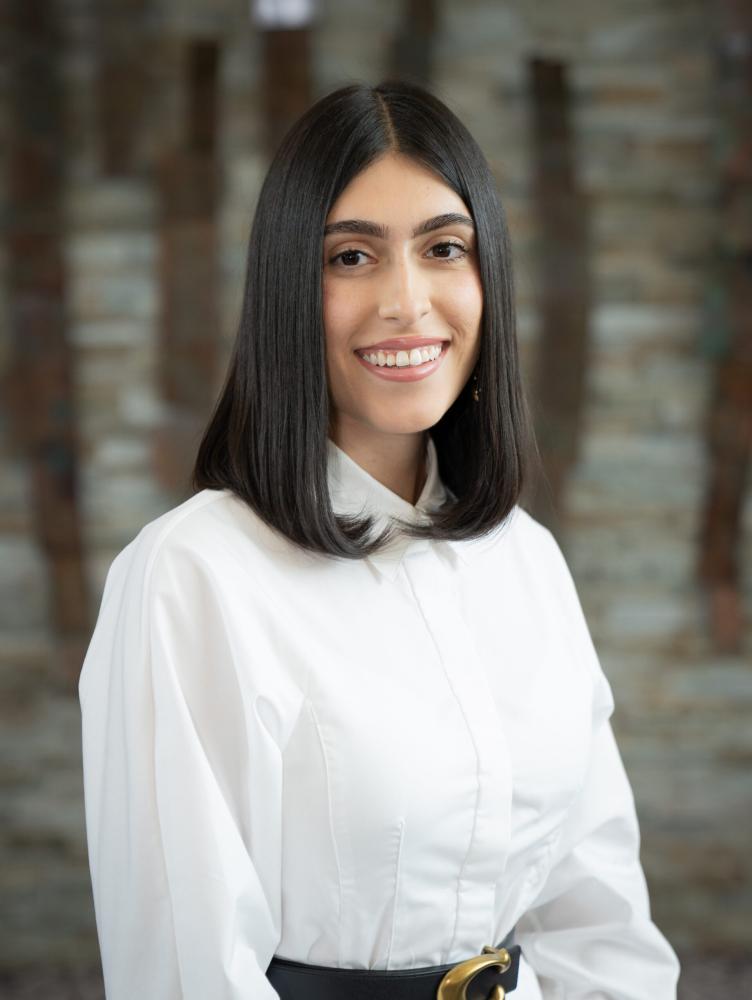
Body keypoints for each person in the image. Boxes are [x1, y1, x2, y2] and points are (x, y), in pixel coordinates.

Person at [78, 79, 681, 1000]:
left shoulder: (526, 559)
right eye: (352, 257)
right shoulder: (190, 577)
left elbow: (599, 921)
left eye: (444, 248)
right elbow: (184, 968)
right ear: (286, 288)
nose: (407, 302)